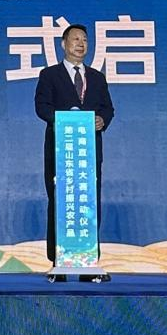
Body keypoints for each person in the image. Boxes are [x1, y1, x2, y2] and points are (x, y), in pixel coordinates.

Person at [34, 23, 114, 263]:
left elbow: (108, 108)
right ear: (63, 44)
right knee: (60, 200)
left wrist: (102, 120)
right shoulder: (49, 75)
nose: (81, 44)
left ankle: (89, 260)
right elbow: (42, 107)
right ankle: (58, 260)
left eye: (85, 40)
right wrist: (65, 121)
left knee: (90, 201)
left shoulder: (97, 77)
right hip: (61, 149)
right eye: (76, 39)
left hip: (89, 150)